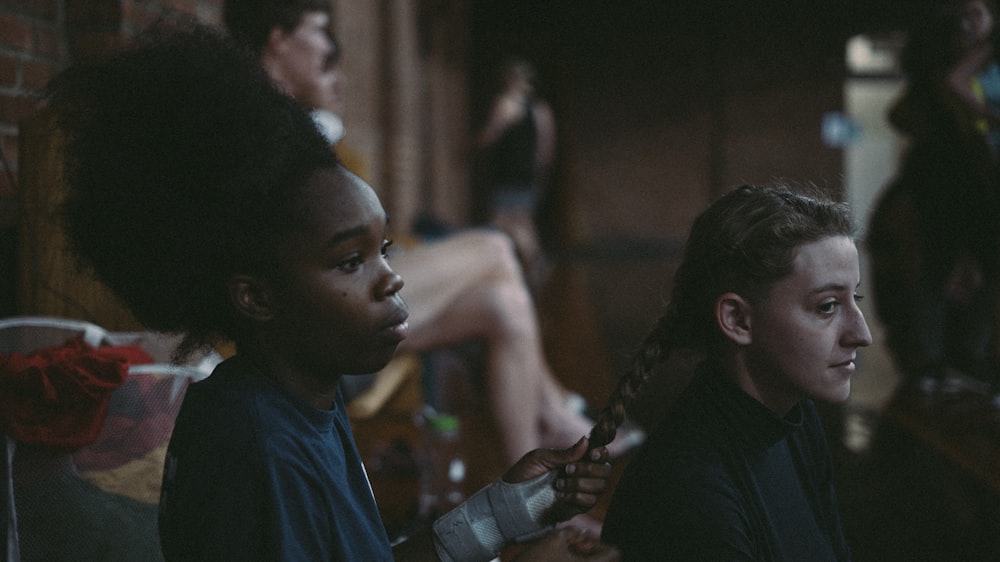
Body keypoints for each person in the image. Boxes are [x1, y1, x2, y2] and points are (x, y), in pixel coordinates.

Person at [45, 26, 621, 562]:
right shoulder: (258, 447)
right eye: (350, 261)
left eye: (384, 249)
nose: (391, 277)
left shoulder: (298, 400)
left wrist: (508, 514)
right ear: (257, 297)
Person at [222, 0, 642, 464]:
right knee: (495, 246)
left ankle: (534, 501)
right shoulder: (256, 120)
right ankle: (556, 413)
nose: (330, 51)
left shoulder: (289, 123)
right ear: (279, 40)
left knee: (506, 307)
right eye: (320, 32)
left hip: (336, 306)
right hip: (307, 330)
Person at [584, 185, 871, 560]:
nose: (861, 334)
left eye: (856, 299)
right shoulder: (689, 487)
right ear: (736, 319)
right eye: (828, 306)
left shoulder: (796, 418)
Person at [474, 57, 556, 289]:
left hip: (507, 172)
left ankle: (499, 272)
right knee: (523, 222)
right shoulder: (541, 109)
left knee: (500, 222)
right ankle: (533, 265)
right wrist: (538, 175)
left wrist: (472, 144)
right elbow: (545, 149)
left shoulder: (507, 103)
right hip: (527, 174)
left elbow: (492, 133)